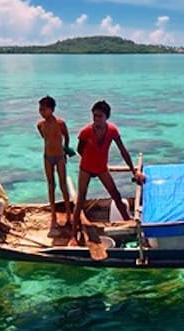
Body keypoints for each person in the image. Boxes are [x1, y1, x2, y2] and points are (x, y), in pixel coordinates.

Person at [69, 100, 145, 246]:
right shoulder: (85, 132)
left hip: (102, 168)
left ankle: (128, 224)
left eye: (100, 116)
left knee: (116, 195)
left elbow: (123, 151)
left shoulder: (112, 131)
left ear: (107, 116)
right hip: (86, 168)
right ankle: (73, 235)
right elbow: (80, 150)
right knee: (80, 201)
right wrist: (91, 161)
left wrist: (134, 171)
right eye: (94, 115)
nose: (96, 119)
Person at [36, 95, 74, 233]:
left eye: (44, 109)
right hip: (47, 157)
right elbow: (45, 138)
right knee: (51, 185)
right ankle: (53, 215)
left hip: (59, 157)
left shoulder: (60, 123)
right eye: (40, 109)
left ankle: (69, 213)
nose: (41, 112)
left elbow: (66, 136)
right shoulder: (40, 125)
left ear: (52, 109)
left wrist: (66, 149)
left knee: (63, 185)